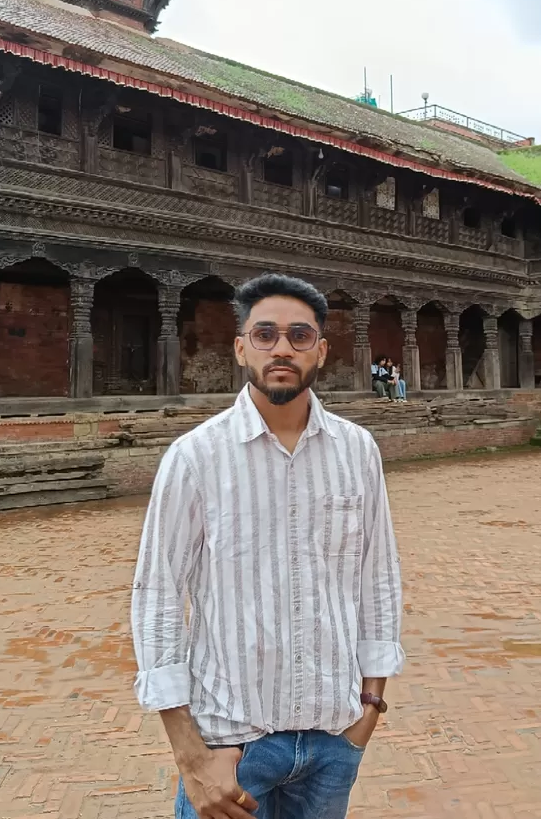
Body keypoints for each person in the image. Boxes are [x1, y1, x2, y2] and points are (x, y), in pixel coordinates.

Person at [132, 273, 403, 819]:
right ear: (241, 348)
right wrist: (189, 754)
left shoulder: (358, 451)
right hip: (231, 745)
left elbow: (378, 578)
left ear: (321, 351)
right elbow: (159, 594)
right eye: (265, 334)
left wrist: (367, 711)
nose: (282, 347)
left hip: (333, 738)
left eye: (300, 336)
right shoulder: (195, 458)